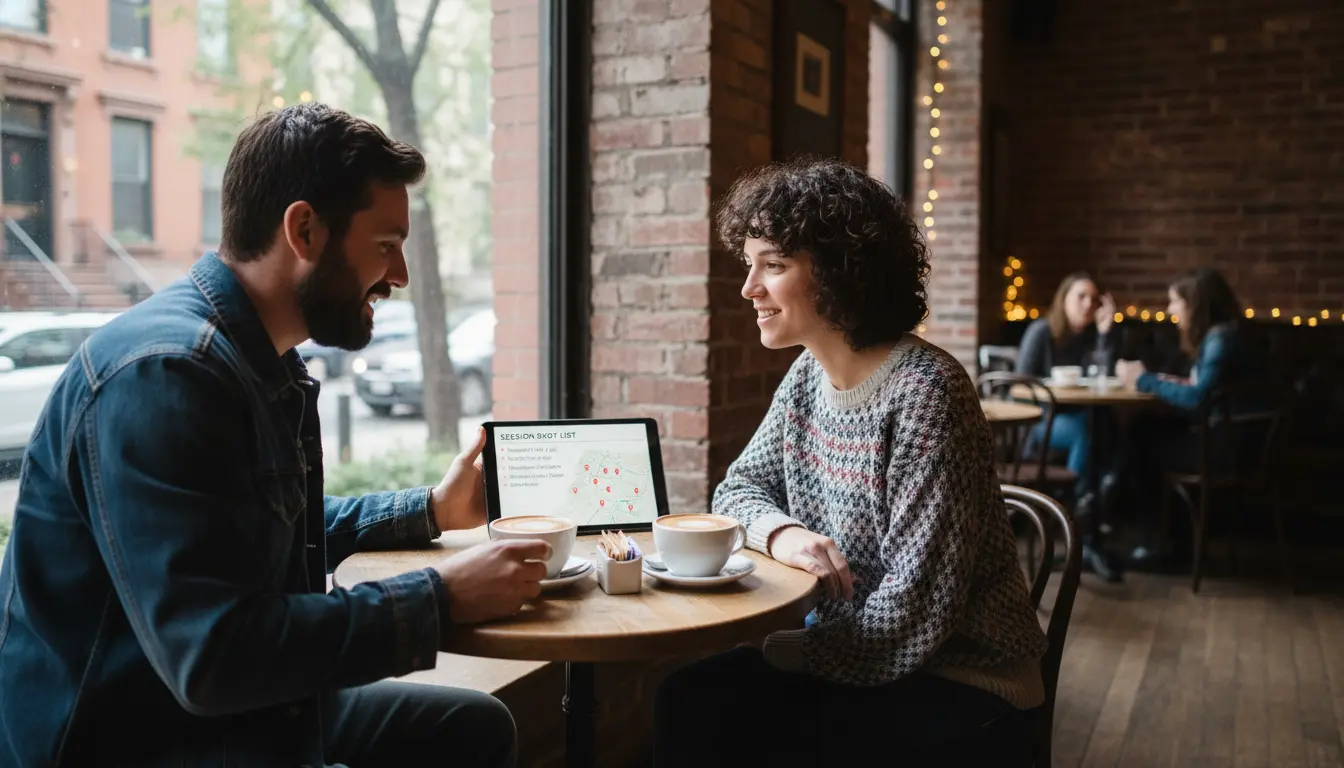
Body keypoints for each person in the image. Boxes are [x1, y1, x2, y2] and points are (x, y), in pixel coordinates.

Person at [0, 103, 550, 767]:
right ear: (304, 230)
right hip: (141, 739)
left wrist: (432, 509)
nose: (401, 275)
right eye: (386, 245)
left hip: (219, 716)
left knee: (472, 728)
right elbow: (212, 656)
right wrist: (441, 597)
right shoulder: (166, 374)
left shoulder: (254, 359)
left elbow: (256, 529)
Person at [653, 158, 1048, 766]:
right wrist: (781, 534)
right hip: (856, 656)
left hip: (963, 681)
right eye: (749, 264)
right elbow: (737, 490)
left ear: (841, 271)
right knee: (687, 698)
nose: (749, 288)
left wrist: (779, 647)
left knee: (719, 718)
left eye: (773, 265)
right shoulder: (806, 376)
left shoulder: (927, 394)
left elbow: (914, 615)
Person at [1114, 267, 1269, 564]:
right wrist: (1167, 381)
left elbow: (1199, 400)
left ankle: (1162, 545)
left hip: (1227, 450)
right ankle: (1170, 540)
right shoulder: (1230, 333)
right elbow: (1209, 388)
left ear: (1196, 304)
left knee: (1140, 438)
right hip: (1239, 442)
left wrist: (1143, 379)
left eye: (1175, 301)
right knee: (1148, 426)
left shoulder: (1220, 340)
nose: (1170, 309)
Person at [1014, 271, 1124, 582]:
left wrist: (1105, 333)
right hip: (1040, 421)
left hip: (1082, 417)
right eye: (1081, 296)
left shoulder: (1091, 336)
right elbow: (1019, 386)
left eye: (1094, 298)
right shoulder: (1041, 331)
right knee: (1084, 431)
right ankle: (1081, 523)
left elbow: (1105, 378)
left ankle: (1087, 519)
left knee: (1106, 425)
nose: (1088, 304)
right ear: (1064, 299)